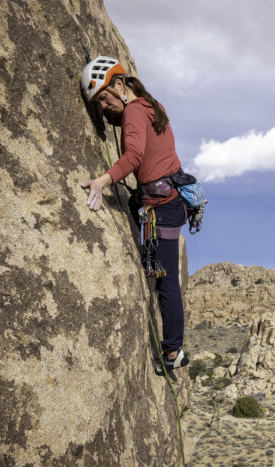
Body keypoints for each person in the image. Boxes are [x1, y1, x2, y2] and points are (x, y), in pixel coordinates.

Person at [80, 56, 189, 375]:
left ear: (118, 84)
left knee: (165, 280)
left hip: (162, 208)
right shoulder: (150, 105)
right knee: (161, 271)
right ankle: (174, 346)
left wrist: (101, 181)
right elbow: (137, 134)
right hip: (168, 200)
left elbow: (134, 155)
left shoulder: (132, 112)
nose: (102, 107)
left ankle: (173, 352)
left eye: (103, 97)